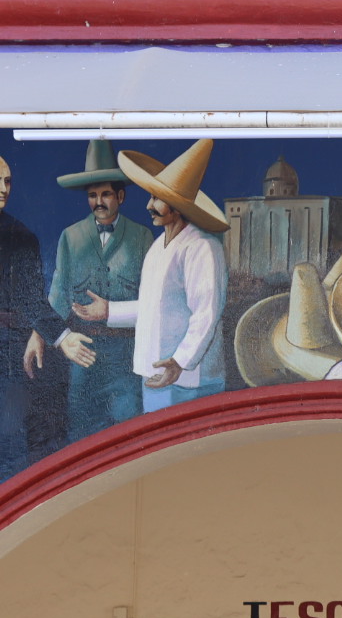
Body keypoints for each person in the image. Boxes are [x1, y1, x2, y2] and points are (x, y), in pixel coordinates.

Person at [72, 140, 230, 413]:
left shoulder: (202, 247)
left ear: (177, 206)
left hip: (190, 380)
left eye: (157, 199)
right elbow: (152, 308)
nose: (149, 205)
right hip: (157, 375)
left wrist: (179, 361)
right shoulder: (159, 247)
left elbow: (206, 313)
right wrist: (108, 311)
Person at [44, 140, 153, 440]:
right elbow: (57, 294)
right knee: (81, 437)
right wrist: (40, 336)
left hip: (127, 360)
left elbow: (154, 303)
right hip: (83, 357)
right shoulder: (71, 238)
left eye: (105, 194)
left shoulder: (142, 237)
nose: (99, 202)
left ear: (120, 195)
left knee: (130, 437)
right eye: (92, 195)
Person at [0, 156, 58, 481]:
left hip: (8, 354)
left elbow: (34, 299)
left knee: (8, 442)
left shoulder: (20, 237)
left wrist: (37, 331)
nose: (3, 188)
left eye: (8, 181)